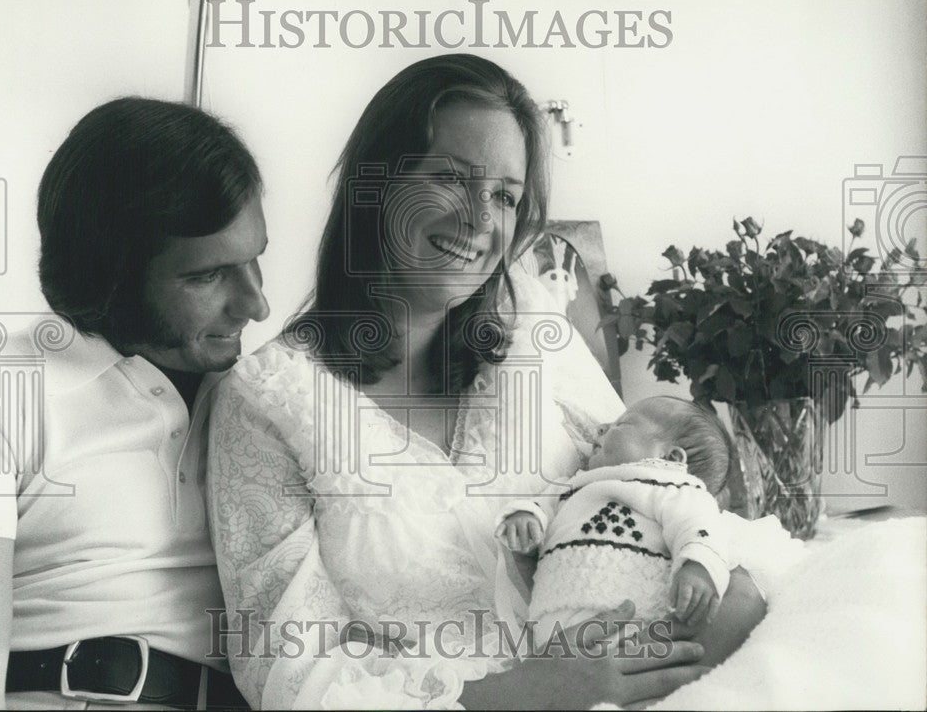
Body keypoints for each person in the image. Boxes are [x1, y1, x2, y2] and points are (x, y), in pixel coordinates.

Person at [207, 54, 766, 710]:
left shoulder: (534, 330)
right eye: (450, 177)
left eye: (506, 195)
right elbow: (287, 672)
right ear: (376, 185)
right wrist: (518, 696)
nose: (481, 220)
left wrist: (650, 661)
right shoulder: (269, 399)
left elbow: (668, 497)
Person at [0, 98, 269, 709]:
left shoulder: (270, 403)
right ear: (110, 273)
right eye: (208, 276)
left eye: (255, 262)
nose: (255, 305)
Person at [496, 396, 736, 661]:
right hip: (554, 629)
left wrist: (698, 568)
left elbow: (700, 527)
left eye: (622, 424)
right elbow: (540, 506)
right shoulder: (571, 485)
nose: (600, 427)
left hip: (632, 620)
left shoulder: (674, 489)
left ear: (670, 457)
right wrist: (526, 519)